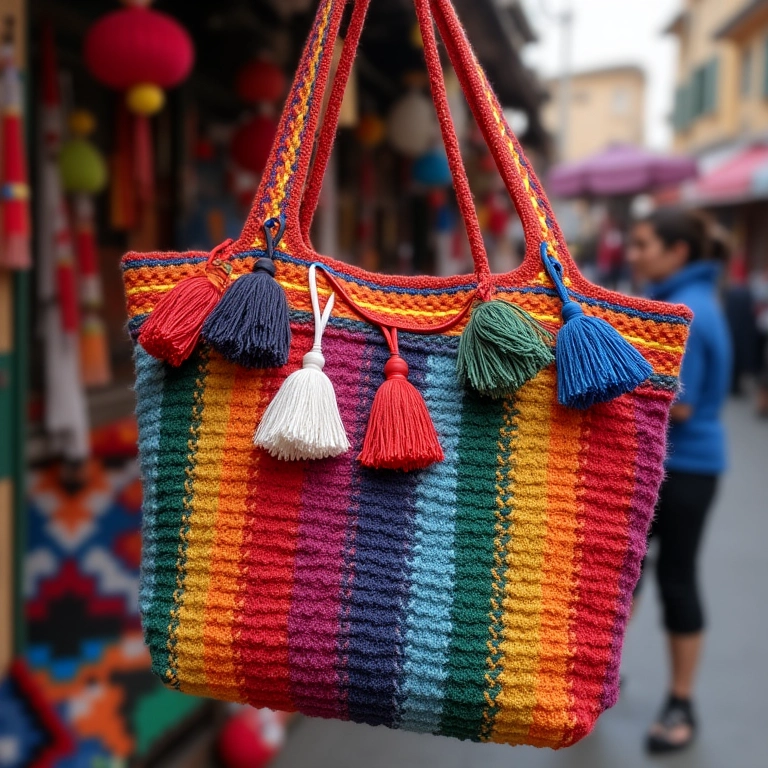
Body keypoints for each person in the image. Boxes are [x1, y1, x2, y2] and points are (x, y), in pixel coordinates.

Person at [626, 209, 732, 755]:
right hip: (673, 465)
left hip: (685, 468)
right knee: (625, 571)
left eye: (643, 244)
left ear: (677, 252)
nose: (633, 254)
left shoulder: (686, 311)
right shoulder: (683, 300)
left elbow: (680, 406)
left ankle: (681, 703)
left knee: (674, 579)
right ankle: (598, 675)